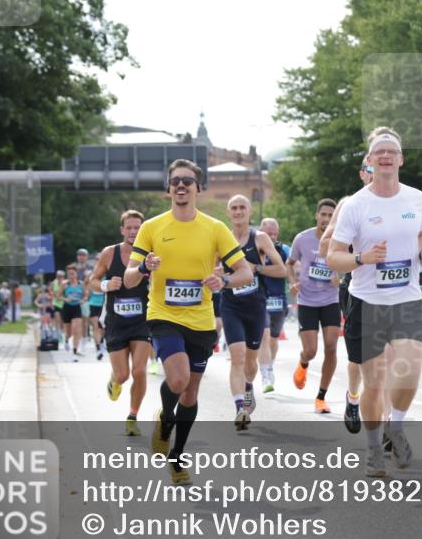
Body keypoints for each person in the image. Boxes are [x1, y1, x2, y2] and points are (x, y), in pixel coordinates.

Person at [124, 159, 252, 484]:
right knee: (178, 381)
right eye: (175, 181)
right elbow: (128, 278)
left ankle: (177, 457)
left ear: (198, 188)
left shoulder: (215, 228)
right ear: (169, 189)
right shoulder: (152, 227)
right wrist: (143, 268)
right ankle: (166, 418)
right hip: (163, 315)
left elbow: (245, 272)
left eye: (187, 181)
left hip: (201, 319)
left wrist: (223, 282)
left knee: (191, 394)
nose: (181, 186)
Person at [329, 127, 422, 477]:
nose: (386, 155)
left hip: (407, 299)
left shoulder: (418, 199)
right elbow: (333, 257)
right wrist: (362, 258)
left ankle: (397, 427)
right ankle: (374, 447)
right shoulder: (355, 205)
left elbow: (420, 232)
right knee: (374, 384)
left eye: (392, 151)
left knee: (409, 373)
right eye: (380, 152)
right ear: (370, 161)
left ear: (401, 160)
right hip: (367, 301)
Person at [320, 159, 378, 434]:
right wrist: (347, 260)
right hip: (356, 287)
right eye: (371, 170)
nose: (376, 174)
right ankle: (353, 397)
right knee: (359, 357)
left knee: (389, 357)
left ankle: (387, 423)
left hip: (392, 290)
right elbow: (325, 246)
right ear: (362, 174)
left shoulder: (402, 202)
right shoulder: (349, 204)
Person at [220, 195, 286, 430]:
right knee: (236, 356)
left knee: (250, 361)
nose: (238, 212)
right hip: (231, 305)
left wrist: (256, 267)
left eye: (241, 208)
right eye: (233, 208)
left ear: (249, 211)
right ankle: (240, 408)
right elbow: (207, 267)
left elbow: (282, 269)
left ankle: (248, 387)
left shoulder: (259, 237)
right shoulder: (221, 237)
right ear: (228, 213)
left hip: (256, 306)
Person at [92, 209, 153, 438]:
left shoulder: (151, 254)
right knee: (123, 375)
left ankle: (132, 417)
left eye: (138, 227)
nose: (133, 231)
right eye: (129, 227)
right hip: (116, 322)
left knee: (140, 370)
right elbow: (92, 281)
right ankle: (114, 381)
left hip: (142, 321)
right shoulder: (110, 253)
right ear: (122, 230)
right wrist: (107, 285)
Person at [289, 199, 342, 414]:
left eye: (331, 215)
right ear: (316, 215)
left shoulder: (341, 241)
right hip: (307, 301)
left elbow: (352, 264)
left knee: (331, 346)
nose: (327, 219)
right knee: (311, 351)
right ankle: (303, 363)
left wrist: (341, 277)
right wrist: (292, 282)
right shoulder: (302, 239)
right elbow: (289, 263)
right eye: (324, 215)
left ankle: (321, 397)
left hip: (330, 300)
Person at [258, 217, 289, 394]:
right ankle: (265, 375)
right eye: (269, 233)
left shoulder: (283, 249)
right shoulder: (254, 248)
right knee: (265, 335)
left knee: (274, 339)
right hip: (261, 299)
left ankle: (269, 366)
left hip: (279, 300)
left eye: (275, 233)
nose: (272, 237)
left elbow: (292, 265)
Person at [58, 266, 85, 356]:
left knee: (76, 328)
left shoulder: (81, 284)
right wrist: (66, 299)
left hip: (77, 307)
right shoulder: (64, 284)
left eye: (73, 273)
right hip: (67, 308)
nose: (71, 276)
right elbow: (58, 296)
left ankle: (75, 349)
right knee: (68, 332)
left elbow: (86, 295)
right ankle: (66, 340)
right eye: (69, 274)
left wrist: (83, 300)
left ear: (76, 274)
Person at [50, 270, 66, 343]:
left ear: (63, 277)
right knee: (57, 319)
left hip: (63, 303)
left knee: (63, 321)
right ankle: (58, 334)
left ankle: (62, 333)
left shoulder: (65, 283)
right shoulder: (53, 283)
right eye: (58, 276)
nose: (59, 277)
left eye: (61, 276)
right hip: (56, 303)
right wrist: (54, 294)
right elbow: (50, 291)